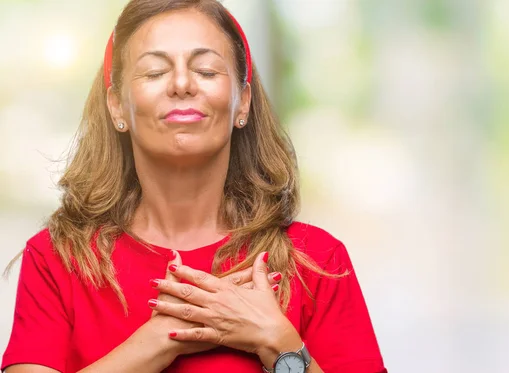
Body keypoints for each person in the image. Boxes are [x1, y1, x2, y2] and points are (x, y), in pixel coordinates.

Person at [1, 1, 387, 372]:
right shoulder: (57, 259)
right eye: (154, 72)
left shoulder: (317, 261)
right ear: (117, 106)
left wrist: (278, 341)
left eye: (205, 70)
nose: (182, 83)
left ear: (243, 103)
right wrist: (161, 339)